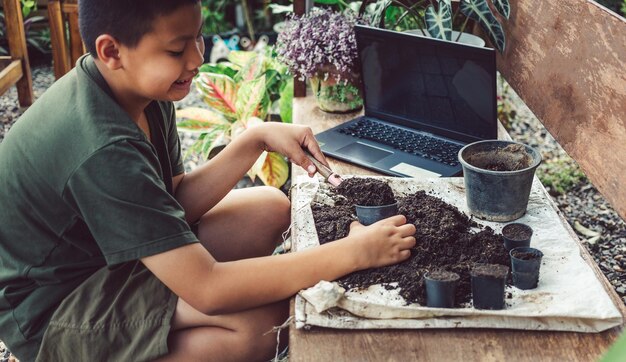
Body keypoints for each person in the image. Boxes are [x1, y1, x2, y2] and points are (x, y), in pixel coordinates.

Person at [0, 1, 417, 361]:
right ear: (112, 51)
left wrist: (254, 139)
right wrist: (355, 253)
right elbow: (209, 289)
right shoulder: (100, 146)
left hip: (106, 261)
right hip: (55, 312)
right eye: (177, 48)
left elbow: (174, 199)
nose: (197, 58)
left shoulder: (140, 90)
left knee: (268, 207)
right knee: (263, 325)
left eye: (197, 37)